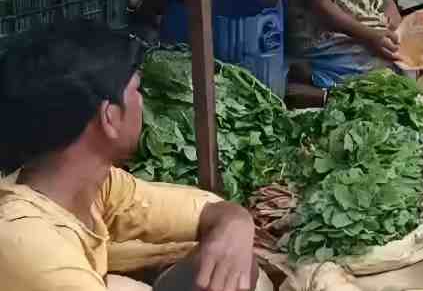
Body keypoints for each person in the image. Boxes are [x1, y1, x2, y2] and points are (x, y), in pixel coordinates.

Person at [0, 22, 261, 291]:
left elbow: (206, 210)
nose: (143, 101)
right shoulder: (34, 248)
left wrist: (236, 222)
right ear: (109, 117)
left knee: (229, 266)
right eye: (137, 89)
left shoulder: (95, 186)